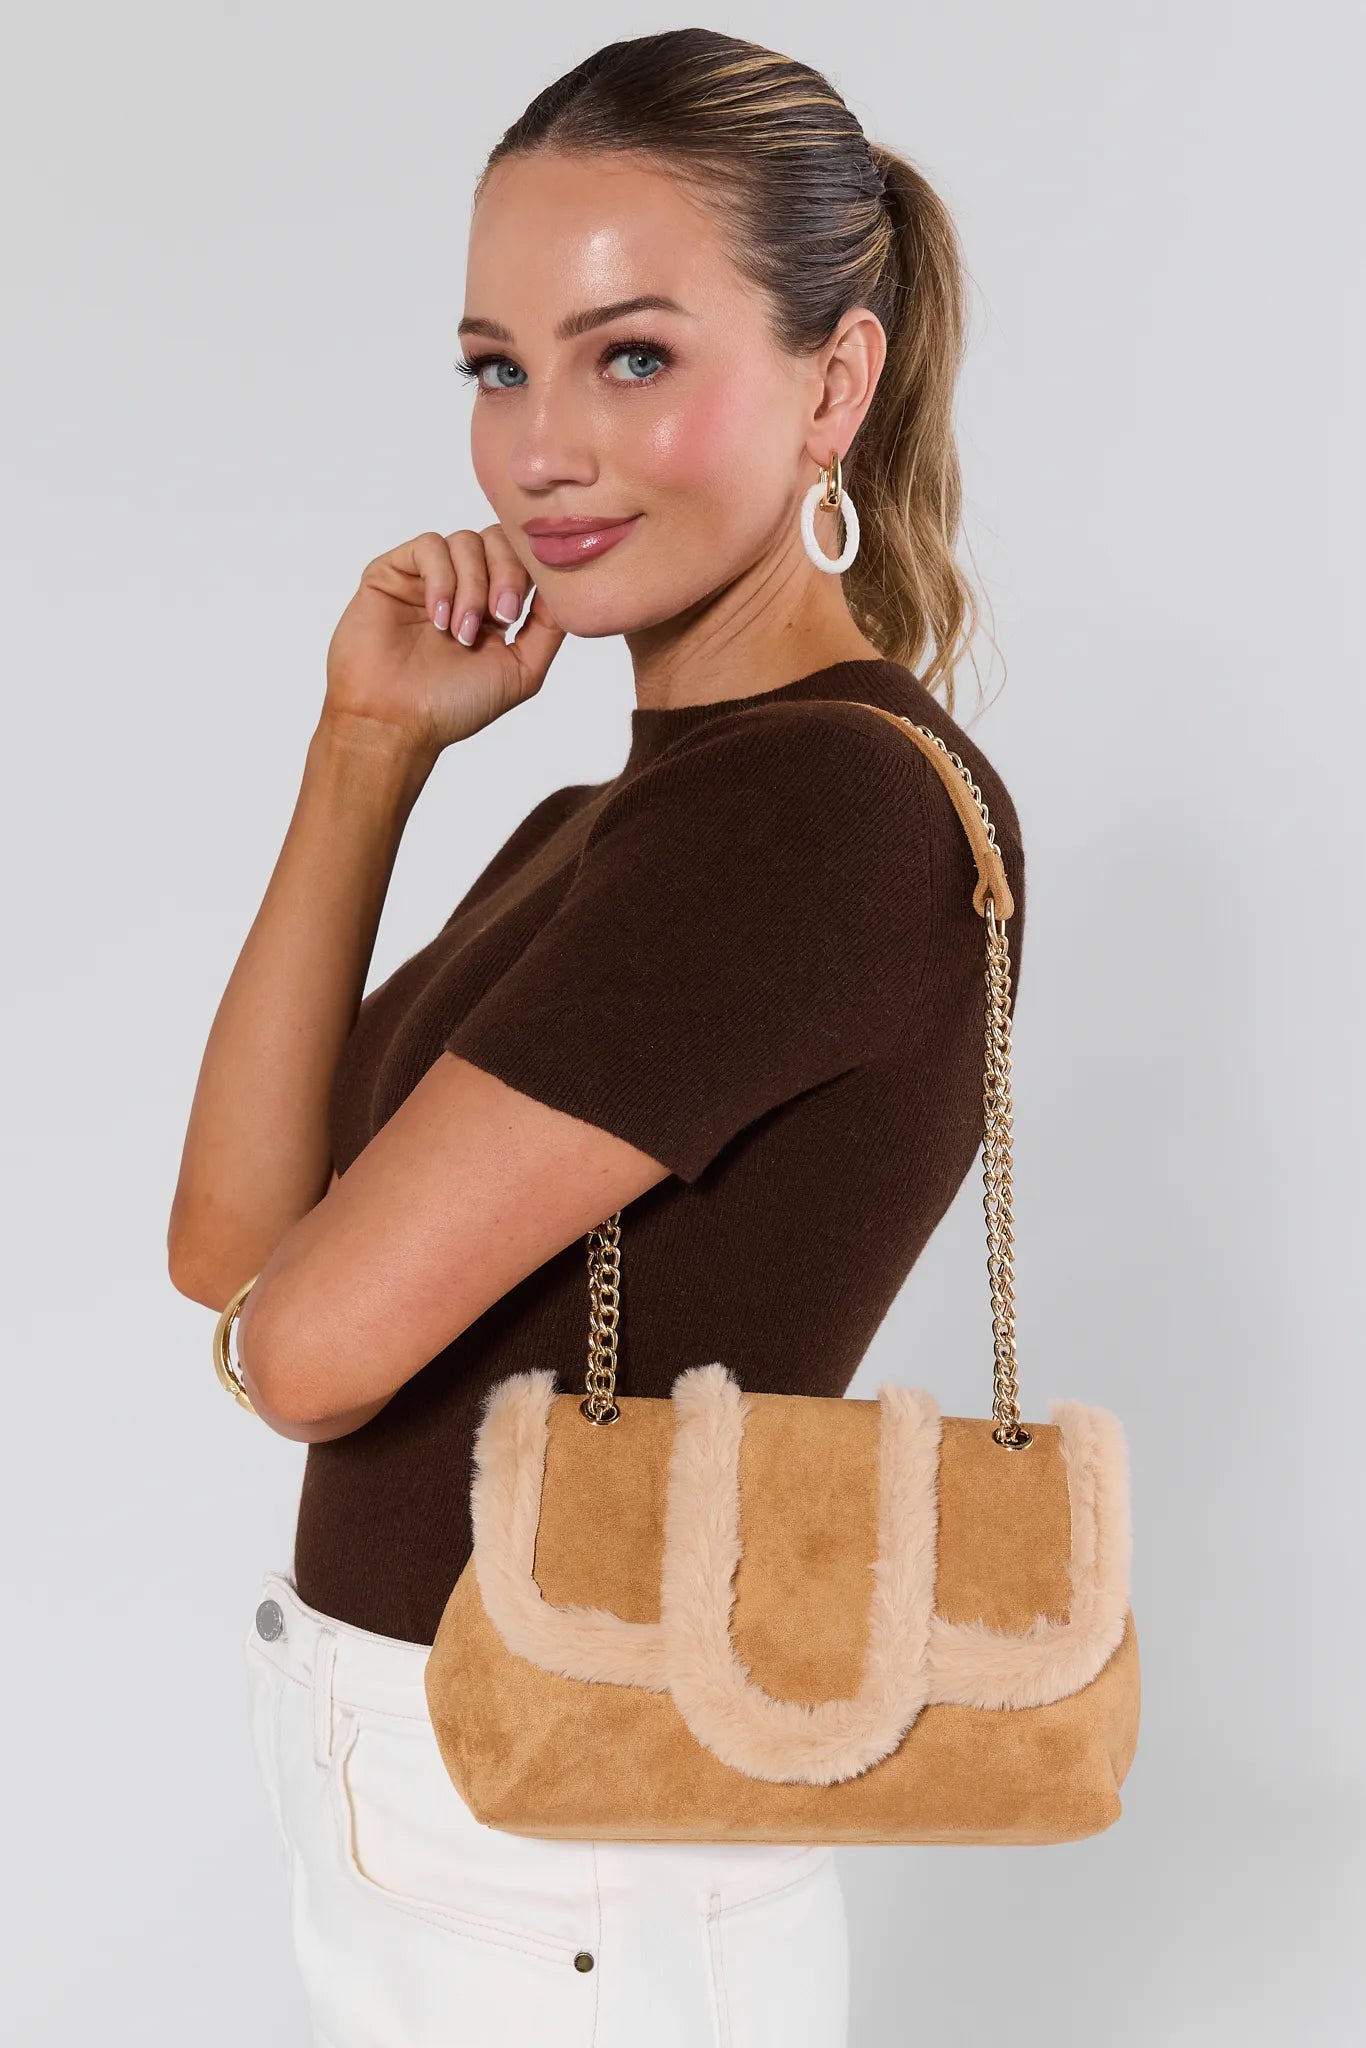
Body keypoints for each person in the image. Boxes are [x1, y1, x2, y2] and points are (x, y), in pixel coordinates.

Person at [169, 26, 1027, 2048]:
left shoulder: (813, 811)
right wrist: (364, 748)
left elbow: (298, 1346)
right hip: (475, 1804)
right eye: (496, 364)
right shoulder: (612, 818)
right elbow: (230, 1246)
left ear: (835, 380)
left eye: (628, 355)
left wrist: (292, 1313)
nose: (539, 444)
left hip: (564, 1852)